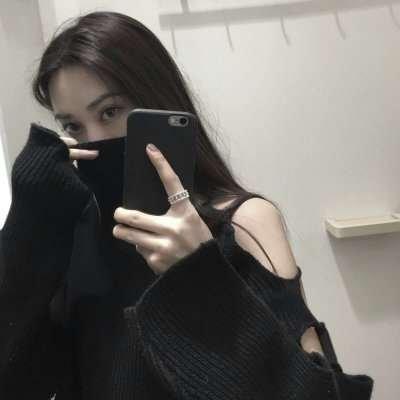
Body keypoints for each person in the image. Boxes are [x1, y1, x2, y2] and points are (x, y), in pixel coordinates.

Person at [0, 10, 373, 400]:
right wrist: (27, 233)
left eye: (110, 112)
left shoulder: (245, 221)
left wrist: (200, 278)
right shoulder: (79, 231)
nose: (94, 140)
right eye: (73, 126)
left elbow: (319, 392)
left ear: (157, 101)